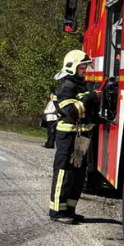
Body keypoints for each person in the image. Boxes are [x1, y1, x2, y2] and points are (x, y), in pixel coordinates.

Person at [49, 50, 100, 224]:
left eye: (85, 66)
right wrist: (89, 99)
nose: (84, 70)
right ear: (72, 67)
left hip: (82, 136)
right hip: (68, 137)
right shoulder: (66, 87)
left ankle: (70, 210)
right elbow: (70, 112)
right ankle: (56, 212)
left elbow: (88, 112)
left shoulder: (82, 86)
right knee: (64, 173)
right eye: (81, 66)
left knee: (78, 174)